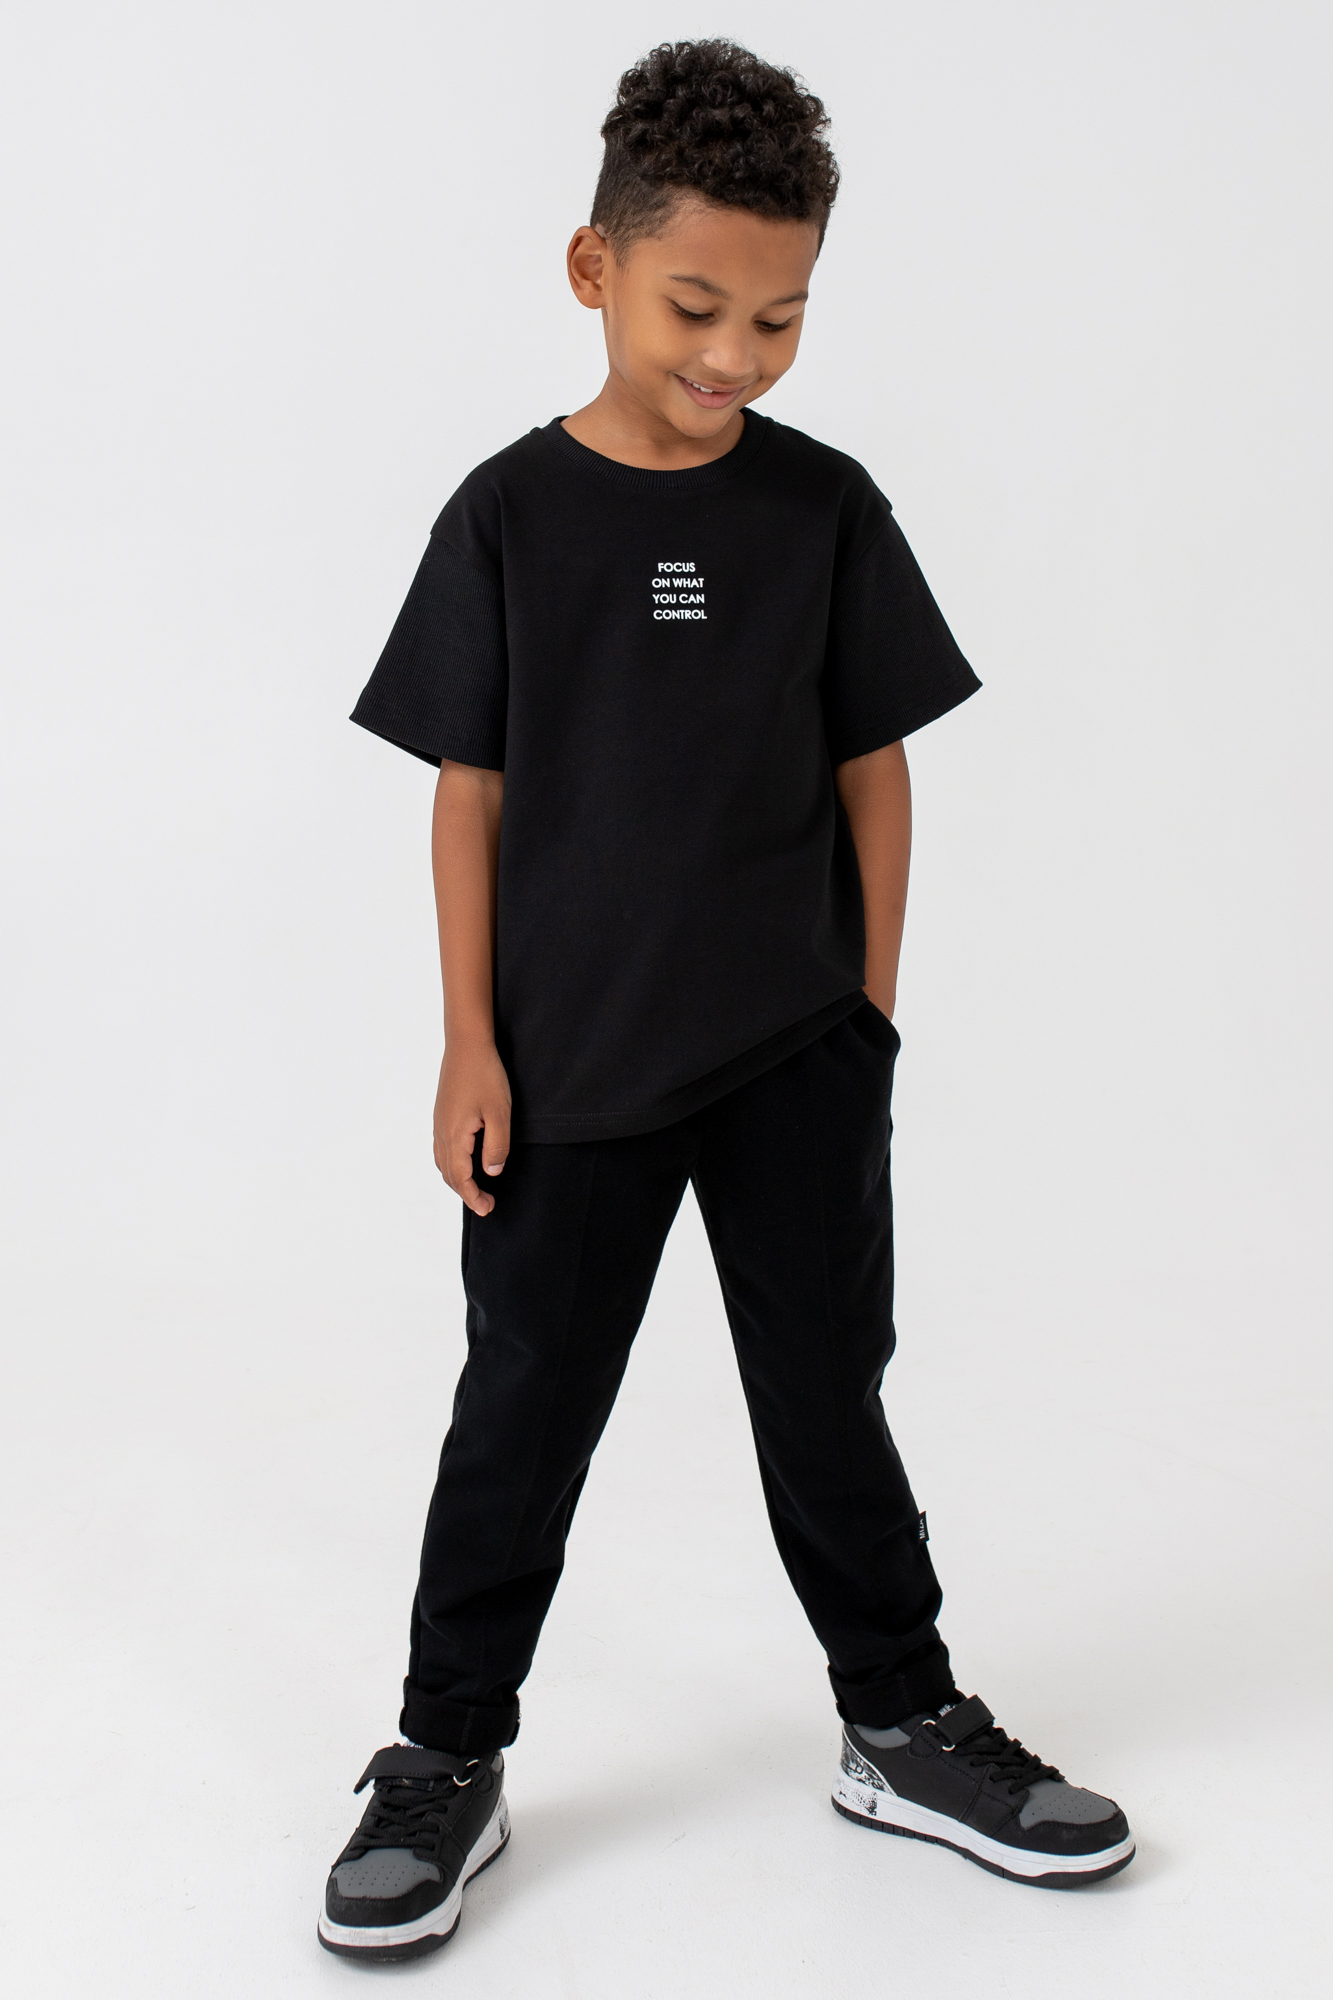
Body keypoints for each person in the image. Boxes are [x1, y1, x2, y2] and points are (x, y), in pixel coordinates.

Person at [318, 39, 1134, 1964]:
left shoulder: (822, 508)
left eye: (779, 318)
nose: (736, 356)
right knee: (521, 1411)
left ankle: (901, 1723)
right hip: (570, 1068)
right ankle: (443, 1754)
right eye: (697, 307)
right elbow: (466, 792)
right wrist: (468, 1040)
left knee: (828, 1397)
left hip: (791, 1053)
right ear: (593, 268)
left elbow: (875, 769)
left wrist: (866, 1015)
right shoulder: (507, 515)